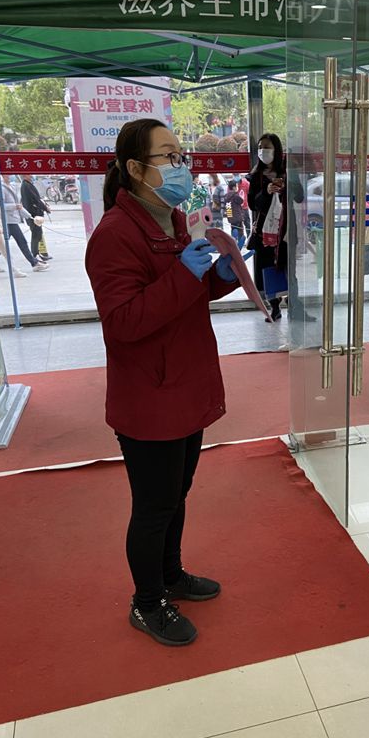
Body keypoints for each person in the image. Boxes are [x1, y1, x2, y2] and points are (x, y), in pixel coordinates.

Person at [85, 118, 239, 647]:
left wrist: (219, 277)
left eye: (181, 156)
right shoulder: (114, 235)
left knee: (177, 494)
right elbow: (124, 322)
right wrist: (185, 275)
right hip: (149, 396)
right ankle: (147, 602)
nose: (181, 167)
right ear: (135, 168)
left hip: (186, 383)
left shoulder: (175, 220)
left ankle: (171, 576)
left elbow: (183, 296)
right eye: (169, 157)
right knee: (154, 506)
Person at [247, 133, 287, 322]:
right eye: (260, 147)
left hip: (285, 229)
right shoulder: (256, 176)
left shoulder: (287, 172)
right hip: (265, 232)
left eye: (267, 147)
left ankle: (295, 304)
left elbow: (299, 197)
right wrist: (266, 191)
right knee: (267, 268)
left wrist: (285, 188)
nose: (263, 151)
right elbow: (252, 204)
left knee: (288, 266)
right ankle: (274, 306)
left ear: (276, 149)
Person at [0, 173, 49, 274]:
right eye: (9, 174)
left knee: (2, 244)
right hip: (8, 220)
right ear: (3, 176)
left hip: (13, 219)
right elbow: (1, 205)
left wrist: (30, 216)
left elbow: (19, 206)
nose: (11, 176)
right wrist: (14, 206)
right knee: (21, 242)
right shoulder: (1, 188)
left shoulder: (12, 186)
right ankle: (34, 263)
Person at [20, 174, 52, 262]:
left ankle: (37, 253)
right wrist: (45, 208)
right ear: (25, 176)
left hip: (33, 214)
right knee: (36, 234)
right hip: (33, 214)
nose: (31, 176)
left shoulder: (27, 185)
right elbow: (36, 200)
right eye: (29, 174)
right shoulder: (26, 186)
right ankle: (34, 254)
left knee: (38, 233)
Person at [225, 177, 246, 249]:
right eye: (237, 186)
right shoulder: (235, 196)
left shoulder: (226, 196)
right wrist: (239, 194)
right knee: (240, 232)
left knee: (233, 230)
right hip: (237, 217)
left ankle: (233, 244)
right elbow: (241, 201)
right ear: (234, 187)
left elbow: (227, 207)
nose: (237, 187)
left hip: (231, 217)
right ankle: (240, 245)